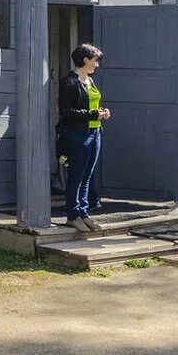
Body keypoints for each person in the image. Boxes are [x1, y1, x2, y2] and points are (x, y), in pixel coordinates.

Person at [58, 43, 111, 233]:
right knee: (76, 176)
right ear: (85, 60)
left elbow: (92, 104)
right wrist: (93, 114)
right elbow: (66, 111)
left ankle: (84, 212)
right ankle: (73, 216)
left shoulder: (89, 80)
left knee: (87, 176)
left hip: (95, 132)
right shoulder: (69, 82)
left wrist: (102, 112)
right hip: (78, 135)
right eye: (95, 61)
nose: (97, 65)